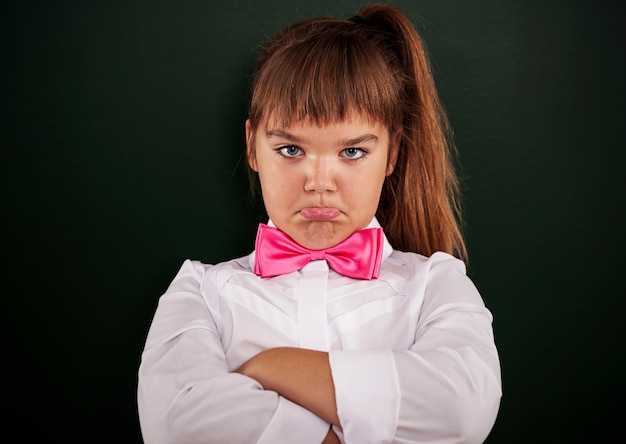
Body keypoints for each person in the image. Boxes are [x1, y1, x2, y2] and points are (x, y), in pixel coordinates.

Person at [137, 4, 501, 443]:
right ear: (252, 147)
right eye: (291, 149)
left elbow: (462, 408)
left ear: (393, 154)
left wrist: (271, 367)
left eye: (352, 152)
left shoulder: (436, 283)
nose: (319, 183)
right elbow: (176, 424)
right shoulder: (199, 291)